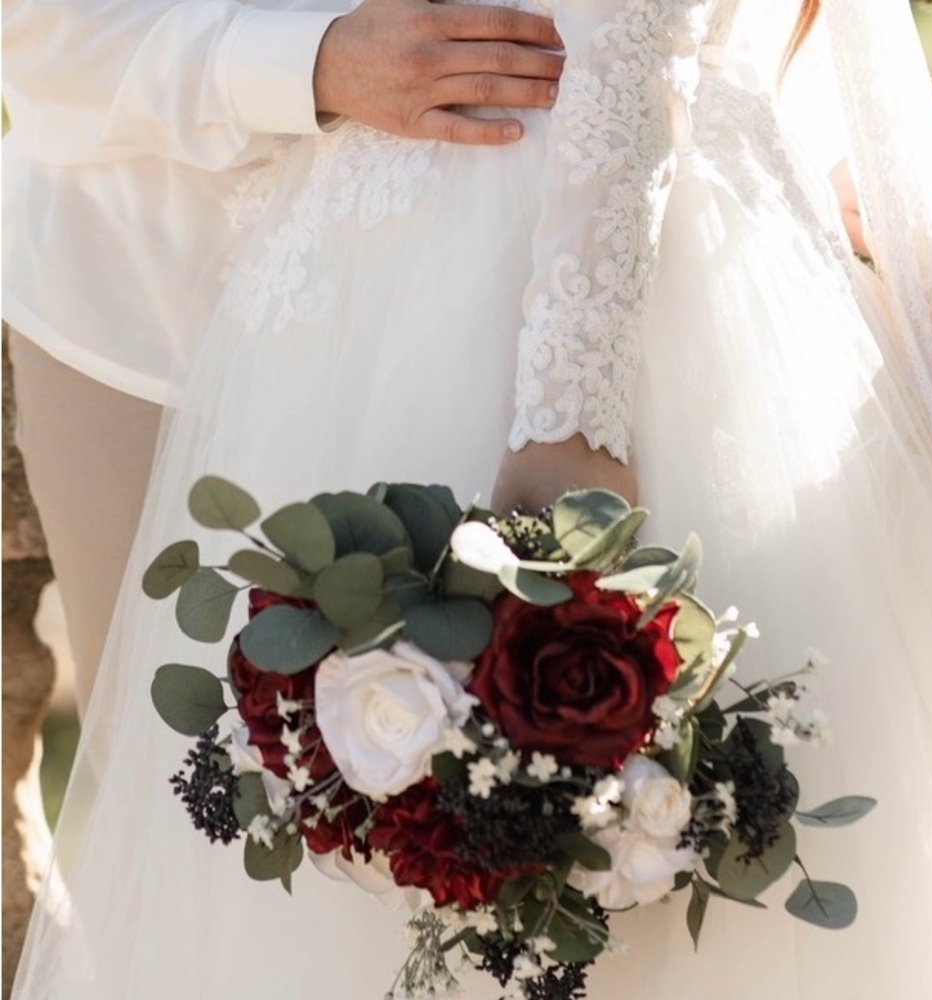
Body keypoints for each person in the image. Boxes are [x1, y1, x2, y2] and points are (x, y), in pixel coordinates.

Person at [11, 0, 932, 997]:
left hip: (551, 257)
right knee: (232, 856)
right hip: (161, 279)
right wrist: (304, 61)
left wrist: (783, 138)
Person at [3, 0, 565, 714]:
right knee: (161, 761)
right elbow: (35, 30)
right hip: (139, 307)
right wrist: (312, 62)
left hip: (450, 300)